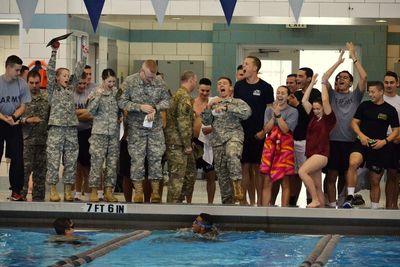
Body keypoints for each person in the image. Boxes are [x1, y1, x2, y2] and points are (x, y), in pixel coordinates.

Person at [118, 59, 170, 203]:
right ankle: (139, 192)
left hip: (155, 127)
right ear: (142, 71)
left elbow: (168, 101)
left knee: (156, 158)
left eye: (153, 77)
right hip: (136, 128)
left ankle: (155, 192)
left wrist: (155, 107)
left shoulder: (160, 82)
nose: (151, 80)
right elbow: (121, 101)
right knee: (137, 159)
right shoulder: (129, 82)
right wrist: (139, 107)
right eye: (148, 77)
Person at [323, 43, 367, 208]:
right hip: (333, 141)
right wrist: (338, 62)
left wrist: (353, 55)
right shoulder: (332, 95)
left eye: (345, 78)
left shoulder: (356, 96)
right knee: (331, 175)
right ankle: (332, 205)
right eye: (339, 77)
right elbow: (325, 79)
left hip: (350, 141)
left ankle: (343, 203)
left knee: (345, 175)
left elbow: (363, 77)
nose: (341, 79)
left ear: (350, 83)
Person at [343, 81, 399, 209]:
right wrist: (361, 136)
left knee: (374, 181)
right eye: (369, 91)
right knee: (353, 163)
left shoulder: (390, 110)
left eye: (373, 91)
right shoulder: (364, 105)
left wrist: (384, 142)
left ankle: (374, 209)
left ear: (381, 92)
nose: (370, 94)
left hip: (379, 146)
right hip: (362, 142)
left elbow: (396, 130)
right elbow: (354, 123)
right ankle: (350, 196)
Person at [46, 41, 88, 202]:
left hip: (71, 129)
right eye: (64, 75)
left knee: (71, 160)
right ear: (57, 78)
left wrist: (84, 55)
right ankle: (53, 190)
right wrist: (54, 52)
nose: (67, 77)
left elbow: (78, 73)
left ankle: (68, 190)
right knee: (53, 160)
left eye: (67, 75)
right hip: (56, 129)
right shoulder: (52, 90)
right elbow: (50, 71)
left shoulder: (70, 88)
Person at [202, 77, 251, 204]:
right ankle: (227, 204)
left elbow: (247, 113)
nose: (221, 85)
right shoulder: (213, 103)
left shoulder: (237, 102)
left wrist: (227, 108)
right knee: (222, 175)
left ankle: (237, 186)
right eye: (219, 84)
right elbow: (206, 122)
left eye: (224, 83)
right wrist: (209, 106)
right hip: (217, 141)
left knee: (232, 154)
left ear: (230, 88)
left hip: (233, 137)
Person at [234, 56, 274, 206]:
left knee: (257, 168)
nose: (243, 66)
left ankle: (259, 202)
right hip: (242, 133)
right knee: (244, 167)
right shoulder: (239, 86)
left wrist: (264, 132)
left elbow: (270, 112)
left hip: (259, 133)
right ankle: (244, 202)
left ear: (255, 68)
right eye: (243, 63)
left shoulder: (266, 87)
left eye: (247, 64)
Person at [299, 74, 336, 208]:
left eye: (318, 109)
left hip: (321, 154)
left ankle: (314, 199)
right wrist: (311, 85)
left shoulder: (328, 119)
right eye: (314, 109)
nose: (315, 111)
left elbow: (325, 100)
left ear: (324, 109)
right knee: (317, 185)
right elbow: (304, 101)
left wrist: (323, 83)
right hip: (311, 154)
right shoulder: (313, 118)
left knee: (302, 172)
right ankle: (322, 210)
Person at [259, 86, 298, 207]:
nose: (280, 95)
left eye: (283, 93)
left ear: (288, 96)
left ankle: (284, 210)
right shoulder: (269, 110)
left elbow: (286, 129)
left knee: (285, 180)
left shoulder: (293, 111)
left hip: (285, 148)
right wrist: (273, 115)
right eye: (278, 93)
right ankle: (265, 208)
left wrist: (279, 115)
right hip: (270, 147)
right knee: (267, 179)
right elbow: (266, 129)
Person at [287, 67, 321, 206]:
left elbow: (313, 117)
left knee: (307, 173)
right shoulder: (296, 94)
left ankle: (311, 200)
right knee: (294, 174)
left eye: (300, 76)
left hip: (306, 140)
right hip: (293, 139)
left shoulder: (315, 94)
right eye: (297, 76)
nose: (297, 79)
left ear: (309, 78)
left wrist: (297, 105)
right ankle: (292, 203)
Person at [0, 55, 31, 201]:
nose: (19, 73)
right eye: (17, 70)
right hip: (0, 121)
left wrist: (13, 117)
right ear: (8, 67)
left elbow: (23, 105)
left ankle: (16, 191)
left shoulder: (22, 84)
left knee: (17, 158)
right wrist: (5, 118)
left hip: (14, 122)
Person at [87, 68, 120, 202]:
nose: (111, 84)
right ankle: (94, 191)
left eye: (113, 81)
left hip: (113, 133)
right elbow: (90, 110)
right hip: (99, 134)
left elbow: (121, 107)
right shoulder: (95, 92)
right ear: (103, 80)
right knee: (97, 163)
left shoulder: (117, 93)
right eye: (109, 81)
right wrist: (99, 95)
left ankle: (108, 191)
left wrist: (121, 116)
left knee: (112, 164)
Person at [165, 71, 197, 203]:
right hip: (179, 145)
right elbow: (183, 123)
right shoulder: (184, 97)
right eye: (195, 81)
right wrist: (187, 144)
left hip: (178, 143)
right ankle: (171, 211)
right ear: (190, 80)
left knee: (188, 176)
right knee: (177, 181)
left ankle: (178, 204)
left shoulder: (177, 95)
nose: (195, 83)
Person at [20, 70, 49, 201]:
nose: (34, 85)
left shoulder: (46, 99)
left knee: (41, 173)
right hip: (26, 141)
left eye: (37, 82)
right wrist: (27, 120)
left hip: (43, 141)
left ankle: (38, 199)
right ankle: (21, 195)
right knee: (24, 171)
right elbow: (13, 118)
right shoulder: (21, 99)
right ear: (27, 82)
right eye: (31, 83)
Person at [192, 77, 216, 204]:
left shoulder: (214, 103)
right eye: (202, 90)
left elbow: (219, 122)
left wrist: (212, 128)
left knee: (210, 175)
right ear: (198, 89)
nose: (205, 93)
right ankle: (188, 202)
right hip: (194, 142)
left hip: (208, 142)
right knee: (190, 176)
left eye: (207, 91)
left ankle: (210, 203)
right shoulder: (191, 102)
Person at [74, 72, 94, 202]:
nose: (82, 86)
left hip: (86, 132)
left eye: (84, 83)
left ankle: (87, 192)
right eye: (79, 83)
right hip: (73, 133)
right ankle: (76, 192)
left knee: (87, 165)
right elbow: (67, 113)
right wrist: (83, 113)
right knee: (75, 165)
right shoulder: (70, 95)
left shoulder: (90, 95)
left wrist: (75, 114)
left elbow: (91, 114)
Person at [383, 71, 400, 209]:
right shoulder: (377, 100)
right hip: (379, 142)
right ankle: (381, 207)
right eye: (386, 82)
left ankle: (392, 206)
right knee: (375, 177)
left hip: (396, 142)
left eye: (391, 82)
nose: (389, 85)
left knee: (393, 175)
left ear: (397, 83)